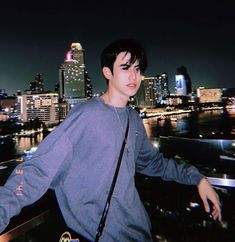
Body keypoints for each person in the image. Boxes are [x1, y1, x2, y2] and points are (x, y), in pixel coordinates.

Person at [0, 39, 221, 241]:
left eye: (137, 69)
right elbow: (37, 171)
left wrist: (196, 178)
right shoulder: (87, 115)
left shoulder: (133, 119)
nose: (133, 76)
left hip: (140, 233)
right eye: (125, 68)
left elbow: (154, 163)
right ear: (108, 72)